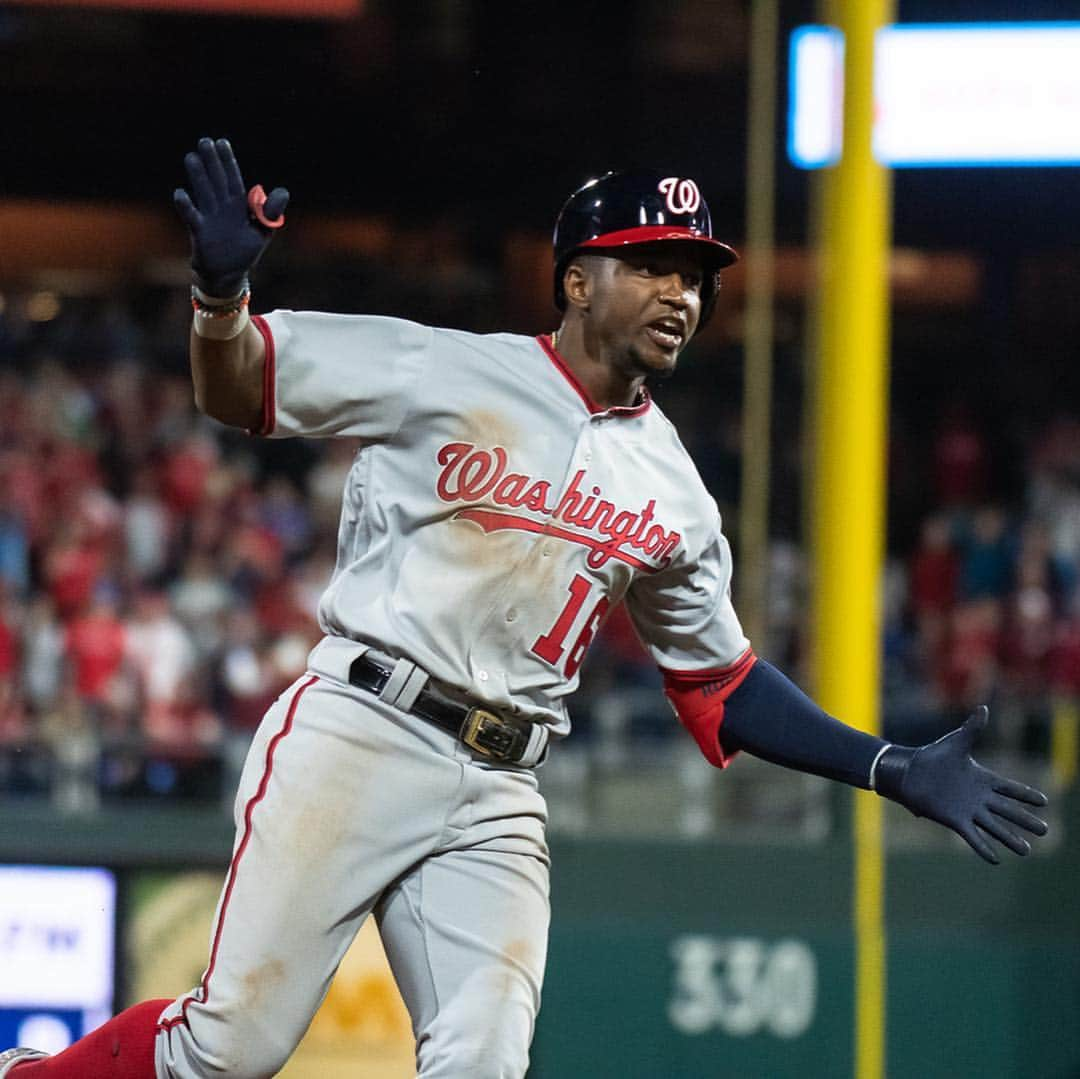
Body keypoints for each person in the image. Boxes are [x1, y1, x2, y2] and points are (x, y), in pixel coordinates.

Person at [0, 138, 1049, 1078]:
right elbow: (240, 388)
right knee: (229, 1050)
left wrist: (885, 763)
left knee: (484, 1061)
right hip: (364, 726)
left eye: (692, 273)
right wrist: (220, 295)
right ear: (578, 280)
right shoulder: (443, 369)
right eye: (650, 264)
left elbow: (720, 685)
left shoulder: (674, 487)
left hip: (501, 783)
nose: (680, 292)